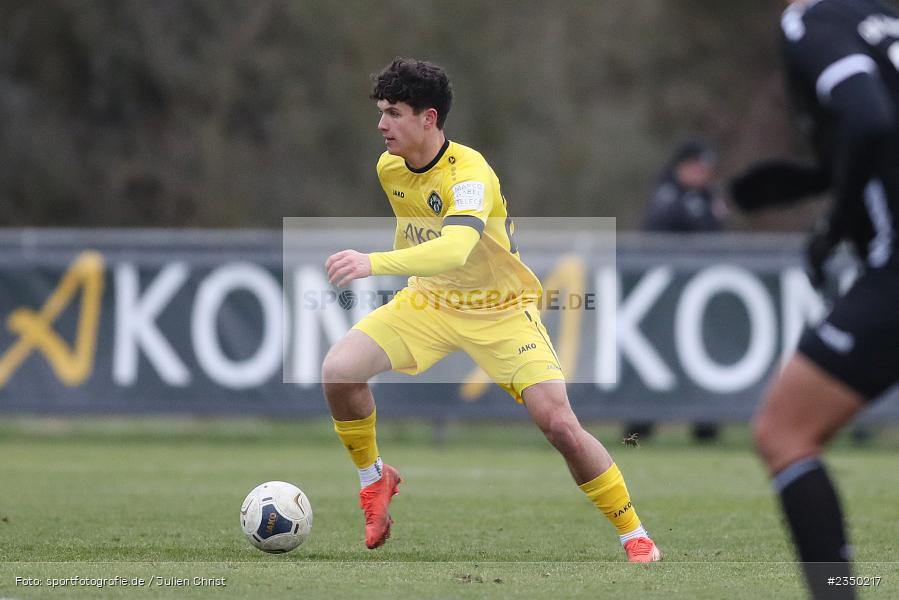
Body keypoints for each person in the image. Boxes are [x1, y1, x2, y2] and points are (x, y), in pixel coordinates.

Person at [321, 57, 661, 562]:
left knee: (560, 425)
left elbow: (457, 247)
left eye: (393, 112)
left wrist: (374, 262)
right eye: (381, 112)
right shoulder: (389, 167)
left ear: (428, 118)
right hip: (430, 302)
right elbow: (421, 238)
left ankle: (635, 535)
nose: (382, 124)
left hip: (499, 310)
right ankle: (375, 484)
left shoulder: (472, 173)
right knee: (338, 372)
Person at [732, 0, 899, 597]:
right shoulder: (883, 22)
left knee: (784, 432)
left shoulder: (811, 20)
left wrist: (835, 222)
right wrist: (809, 179)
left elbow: (870, 121)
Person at [626, 140, 728, 444]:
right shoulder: (668, 194)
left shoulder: (704, 196)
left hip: (698, 297)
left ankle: (706, 428)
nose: (703, 174)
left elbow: (716, 232)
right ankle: (638, 428)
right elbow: (665, 228)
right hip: (664, 298)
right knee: (655, 361)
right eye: (697, 167)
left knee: (701, 359)